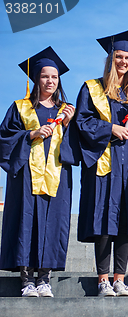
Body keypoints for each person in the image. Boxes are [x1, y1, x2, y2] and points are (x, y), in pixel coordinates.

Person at [75, 31, 128, 297]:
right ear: (110, 59)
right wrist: (111, 129)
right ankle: (103, 279)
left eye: (127, 57)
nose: (123, 61)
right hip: (103, 166)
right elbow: (83, 122)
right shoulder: (91, 89)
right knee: (104, 220)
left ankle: (120, 278)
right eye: (118, 56)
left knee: (126, 222)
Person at [0, 47, 79, 297]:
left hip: (57, 177)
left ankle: (44, 278)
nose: (50, 81)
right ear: (36, 79)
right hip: (26, 176)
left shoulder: (65, 110)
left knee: (53, 224)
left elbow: (77, 146)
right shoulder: (20, 108)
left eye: (54, 77)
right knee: (25, 222)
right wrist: (31, 134)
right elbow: (4, 139)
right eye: (45, 76)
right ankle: (27, 280)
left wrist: (68, 125)